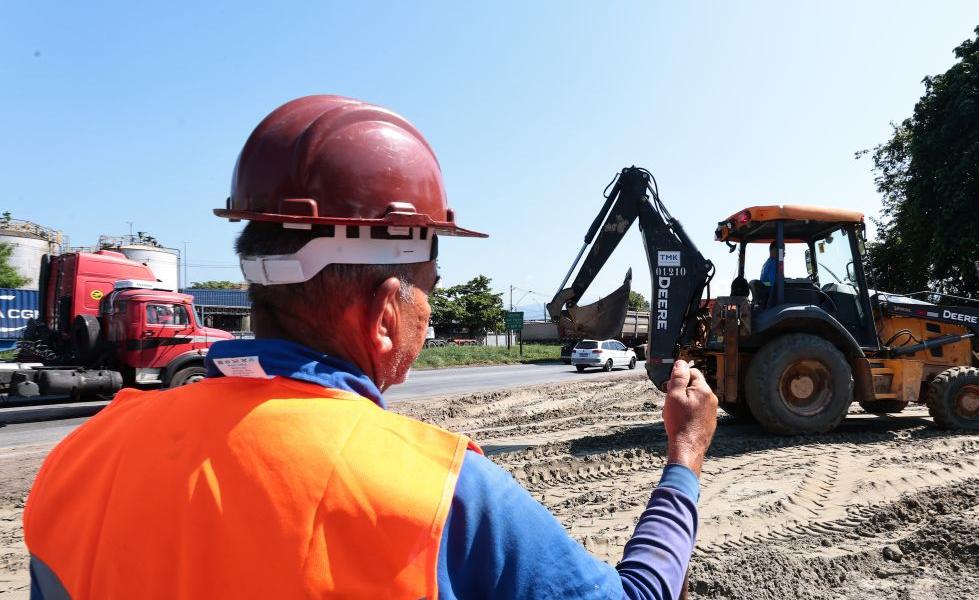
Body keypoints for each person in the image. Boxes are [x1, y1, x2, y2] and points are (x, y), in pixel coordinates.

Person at [23, 95, 719, 600]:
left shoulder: (84, 459)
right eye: (430, 287)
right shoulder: (439, 497)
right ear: (387, 313)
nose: (431, 311)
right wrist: (683, 460)